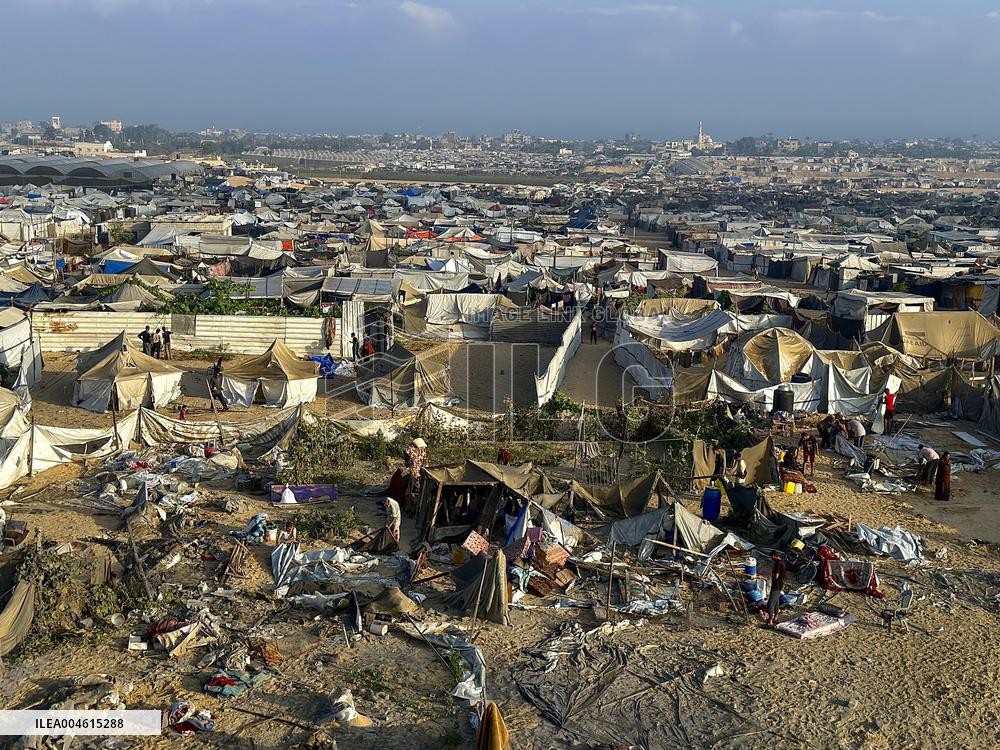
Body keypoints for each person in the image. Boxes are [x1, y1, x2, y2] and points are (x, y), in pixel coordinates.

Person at [765, 553, 786, 626]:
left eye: (772, 557)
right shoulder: (783, 563)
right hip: (780, 585)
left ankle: (770, 620)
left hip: (776, 586)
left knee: (770, 603)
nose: (772, 558)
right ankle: (776, 616)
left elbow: (776, 575)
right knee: (776, 601)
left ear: (775, 556)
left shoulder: (777, 563)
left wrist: (772, 574)